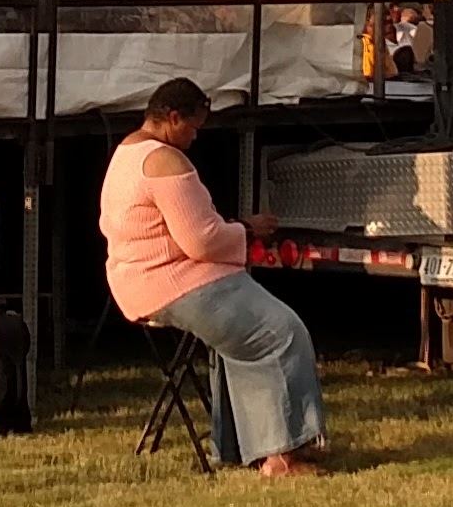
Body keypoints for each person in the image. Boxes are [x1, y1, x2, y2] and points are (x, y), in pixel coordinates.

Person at [97, 76, 323, 474]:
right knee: (281, 332)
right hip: (173, 282)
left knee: (236, 342)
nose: (195, 137)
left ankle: (237, 446)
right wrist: (247, 230)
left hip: (137, 283)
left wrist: (234, 228)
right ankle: (283, 457)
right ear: (172, 117)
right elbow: (201, 241)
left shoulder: (127, 152)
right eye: (193, 126)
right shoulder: (166, 161)